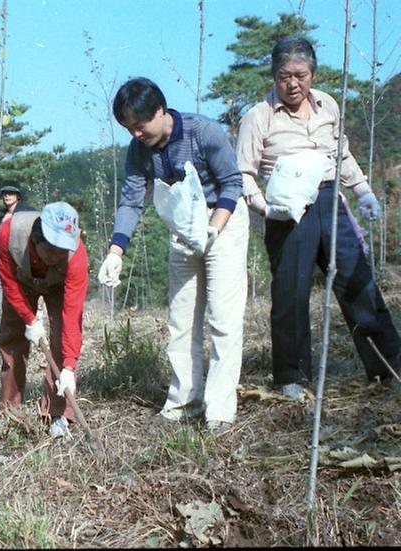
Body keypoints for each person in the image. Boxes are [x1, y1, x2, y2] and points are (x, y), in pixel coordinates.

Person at [237, 37, 401, 399]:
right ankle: (291, 376)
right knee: (291, 292)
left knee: (357, 280)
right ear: (273, 76)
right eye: (284, 76)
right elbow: (244, 172)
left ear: (312, 74)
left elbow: (341, 155)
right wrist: (263, 207)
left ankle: (388, 365)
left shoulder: (328, 105)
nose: (292, 84)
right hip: (286, 209)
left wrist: (364, 192)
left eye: (300, 75)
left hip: (330, 200)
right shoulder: (258, 116)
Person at [97, 77, 248, 434]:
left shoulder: (204, 132)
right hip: (182, 230)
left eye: (140, 125)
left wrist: (214, 228)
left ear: (160, 111)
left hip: (222, 223)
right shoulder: (138, 151)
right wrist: (115, 250)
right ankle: (183, 402)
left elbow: (232, 183)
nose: (136, 134)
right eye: (128, 128)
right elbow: (132, 201)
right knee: (181, 321)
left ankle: (220, 410)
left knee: (223, 321)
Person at [0, 201, 88, 439]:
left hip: (58, 286)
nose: (57, 256)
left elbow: (72, 313)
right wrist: (29, 318)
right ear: (37, 238)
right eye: (52, 250)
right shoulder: (9, 233)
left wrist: (69, 365)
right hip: (21, 281)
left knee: (60, 340)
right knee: (12, 340)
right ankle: (10, 410)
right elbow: (7, 280)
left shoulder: (76, 255)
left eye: (62, 251)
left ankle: (58, 415)